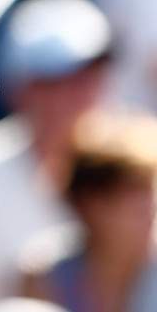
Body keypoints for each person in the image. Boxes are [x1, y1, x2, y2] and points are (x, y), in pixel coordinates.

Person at [0, 0, 112, 311]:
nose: (79, 93)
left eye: (91, 74)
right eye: (56, 81)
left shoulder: (140, 169)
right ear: (22, 90)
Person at [20, 110, 157, 312]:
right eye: (133, 200)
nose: (149, 210)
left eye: (148, 193)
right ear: (90, 205)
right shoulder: (44, 276)